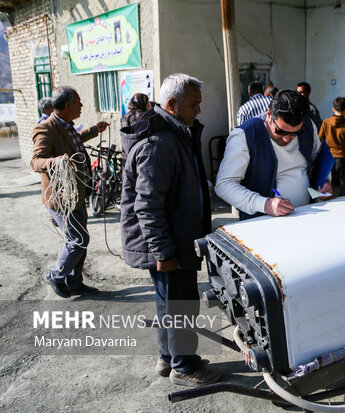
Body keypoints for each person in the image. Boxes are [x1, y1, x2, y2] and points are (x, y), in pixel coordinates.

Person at [120, 73, 218, 387]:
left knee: (170, 302)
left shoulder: (176, 133)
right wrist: (163, 251)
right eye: (193, 104)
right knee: (181, 303)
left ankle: (169, 357)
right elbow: (147, 205)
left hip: (176, 239)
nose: (199, 111)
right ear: (172, 104)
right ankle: (184, 366)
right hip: (169, 244)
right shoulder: (159, 143)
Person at [30, 86, 109, 298]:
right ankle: (56, 276)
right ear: (68, 105)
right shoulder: (46, 128)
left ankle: (75, 282)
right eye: (79, 102)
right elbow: (35, 161)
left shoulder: (66, 125)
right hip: (61, 198)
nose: (81, 106)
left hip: (77, 195)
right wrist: (54, 162)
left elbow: (73, 142)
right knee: (77, 239)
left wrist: (94, 130)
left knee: (81, 239)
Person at [216, 89, 332, 220]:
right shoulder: (244, 135)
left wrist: (326, 181)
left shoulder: (308, 125)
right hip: (263, 222)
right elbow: (224, 184)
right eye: (280, 131)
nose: (286, 139)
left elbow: (317, 159)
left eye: (295, 133)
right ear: (269, 114)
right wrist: (265, 204)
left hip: (308, 214)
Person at [319, 97, 345, 196]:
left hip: (328, 159)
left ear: (333, 109)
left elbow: (319, 140)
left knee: (328, 187)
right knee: (344, 188)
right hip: (342, 160)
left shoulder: (326, 122)